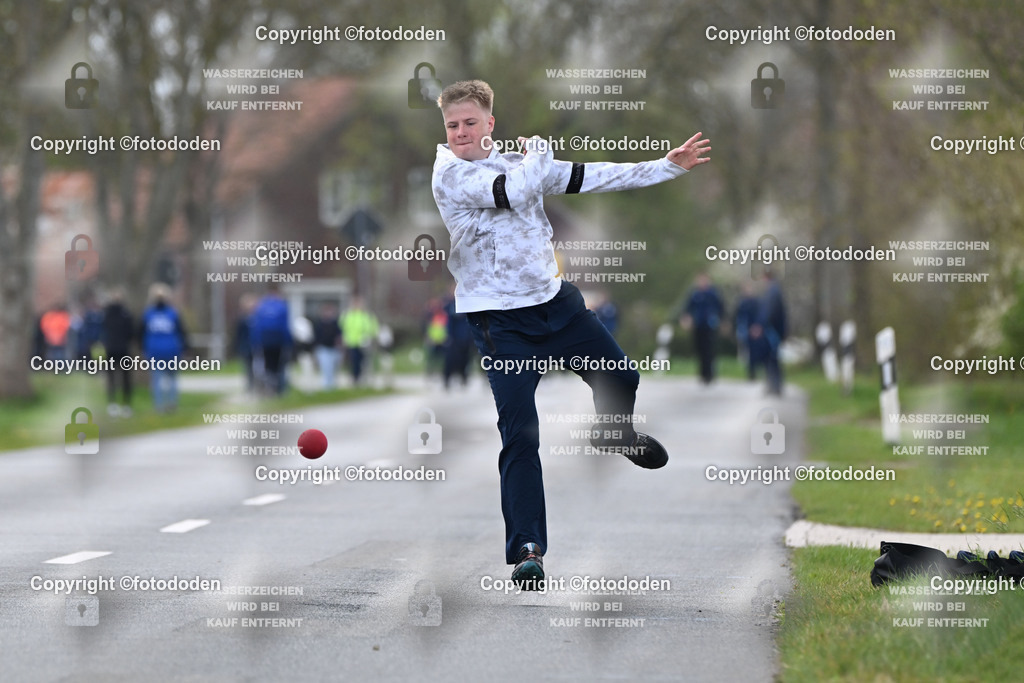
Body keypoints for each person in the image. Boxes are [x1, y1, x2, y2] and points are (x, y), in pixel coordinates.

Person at [431, 79, 710, 587]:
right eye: (453, 125)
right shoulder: (449, 173)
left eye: (470, 122)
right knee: (520, 433)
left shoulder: (521, 162)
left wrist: (666, 166)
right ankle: (528, 550)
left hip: (554, 303)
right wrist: (539, 156)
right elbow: (514, 193)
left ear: (490, 123)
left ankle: (615, 432)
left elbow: (591, 176)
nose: (461, 132)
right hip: (500, 321)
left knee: (622, 376)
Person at [139, 283, 188, 413]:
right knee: (172, 379)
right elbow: (181, 332)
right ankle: (172, 403)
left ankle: (159, 405)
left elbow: (141, 333)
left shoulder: (148, 314)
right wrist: (184, 348)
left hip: (155, 351)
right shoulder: (172, 313)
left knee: (157, 380)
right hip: (171, 349)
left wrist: (143, 349)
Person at [680, 273, 724, 385]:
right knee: (700, 350)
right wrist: (686, 318)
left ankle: (710, 374)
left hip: (710, 325)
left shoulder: (713, 294)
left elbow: (721, 308)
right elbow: (688, 308)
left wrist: (722, 321)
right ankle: (702, 374)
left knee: (709, 350)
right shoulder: (695, 294)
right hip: (698, 325)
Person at [249, 286, 292, 395]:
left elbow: (257, 327)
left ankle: (269, 387)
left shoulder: (261, 306)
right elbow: (285, 326)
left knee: (267, 365)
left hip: (264, 341)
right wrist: (289, 342)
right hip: (279, 341)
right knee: (278, 365)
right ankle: (279, 388)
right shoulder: (282, 306)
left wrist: (255, 342)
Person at [751, 269, 788, 396]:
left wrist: (760, 326)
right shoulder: (772, 291)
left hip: (772, 331)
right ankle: (773, 385)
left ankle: (775, 385)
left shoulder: (773, 292)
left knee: (772, 358)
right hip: (771, 330)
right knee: (771, 358)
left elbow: (769, 312)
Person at [102, 287, 135, 417]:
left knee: (112, 378)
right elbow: (131, 332)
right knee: (125, 378)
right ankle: (126, 404)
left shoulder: (107, 314)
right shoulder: (126, 314)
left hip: (111, 349)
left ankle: (113, 404)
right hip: (123, 349)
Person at [340, 295, 378, 386]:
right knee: (354, 361)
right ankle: (355, 378)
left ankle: (364, 378)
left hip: (364, 343)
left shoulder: (366, 315)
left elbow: (373, 327)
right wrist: (344, 338)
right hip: (352, 342)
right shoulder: (347, 315)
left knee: (364, 361)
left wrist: (369, 336)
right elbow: (342, 327)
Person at [442, 290, 474, 389]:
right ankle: (447, 380)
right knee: (450, 360)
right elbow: (449, 322)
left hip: (466, 338)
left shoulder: (469, 304)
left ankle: (463, 378)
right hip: (454, 339)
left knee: (465, 360)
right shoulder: (451, 305)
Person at [733, 281, 761, 381]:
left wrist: (757, 327)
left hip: (754, 330)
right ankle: (749, 372)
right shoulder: (741, 302)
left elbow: (760, 316)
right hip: (744, 329)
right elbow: (737, 316)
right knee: (746, 351)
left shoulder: (756, 302)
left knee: (754, 351)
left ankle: (753, 372)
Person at [312, 302, 342, 389]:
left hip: (334, 349)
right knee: (325, 368)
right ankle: (326, 387)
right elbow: (316, 339)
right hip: (323, 349)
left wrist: (340, 348)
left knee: (333, 369)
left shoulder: (336, 324)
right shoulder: (319, 324)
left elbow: (339, 337)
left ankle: (332, 387)